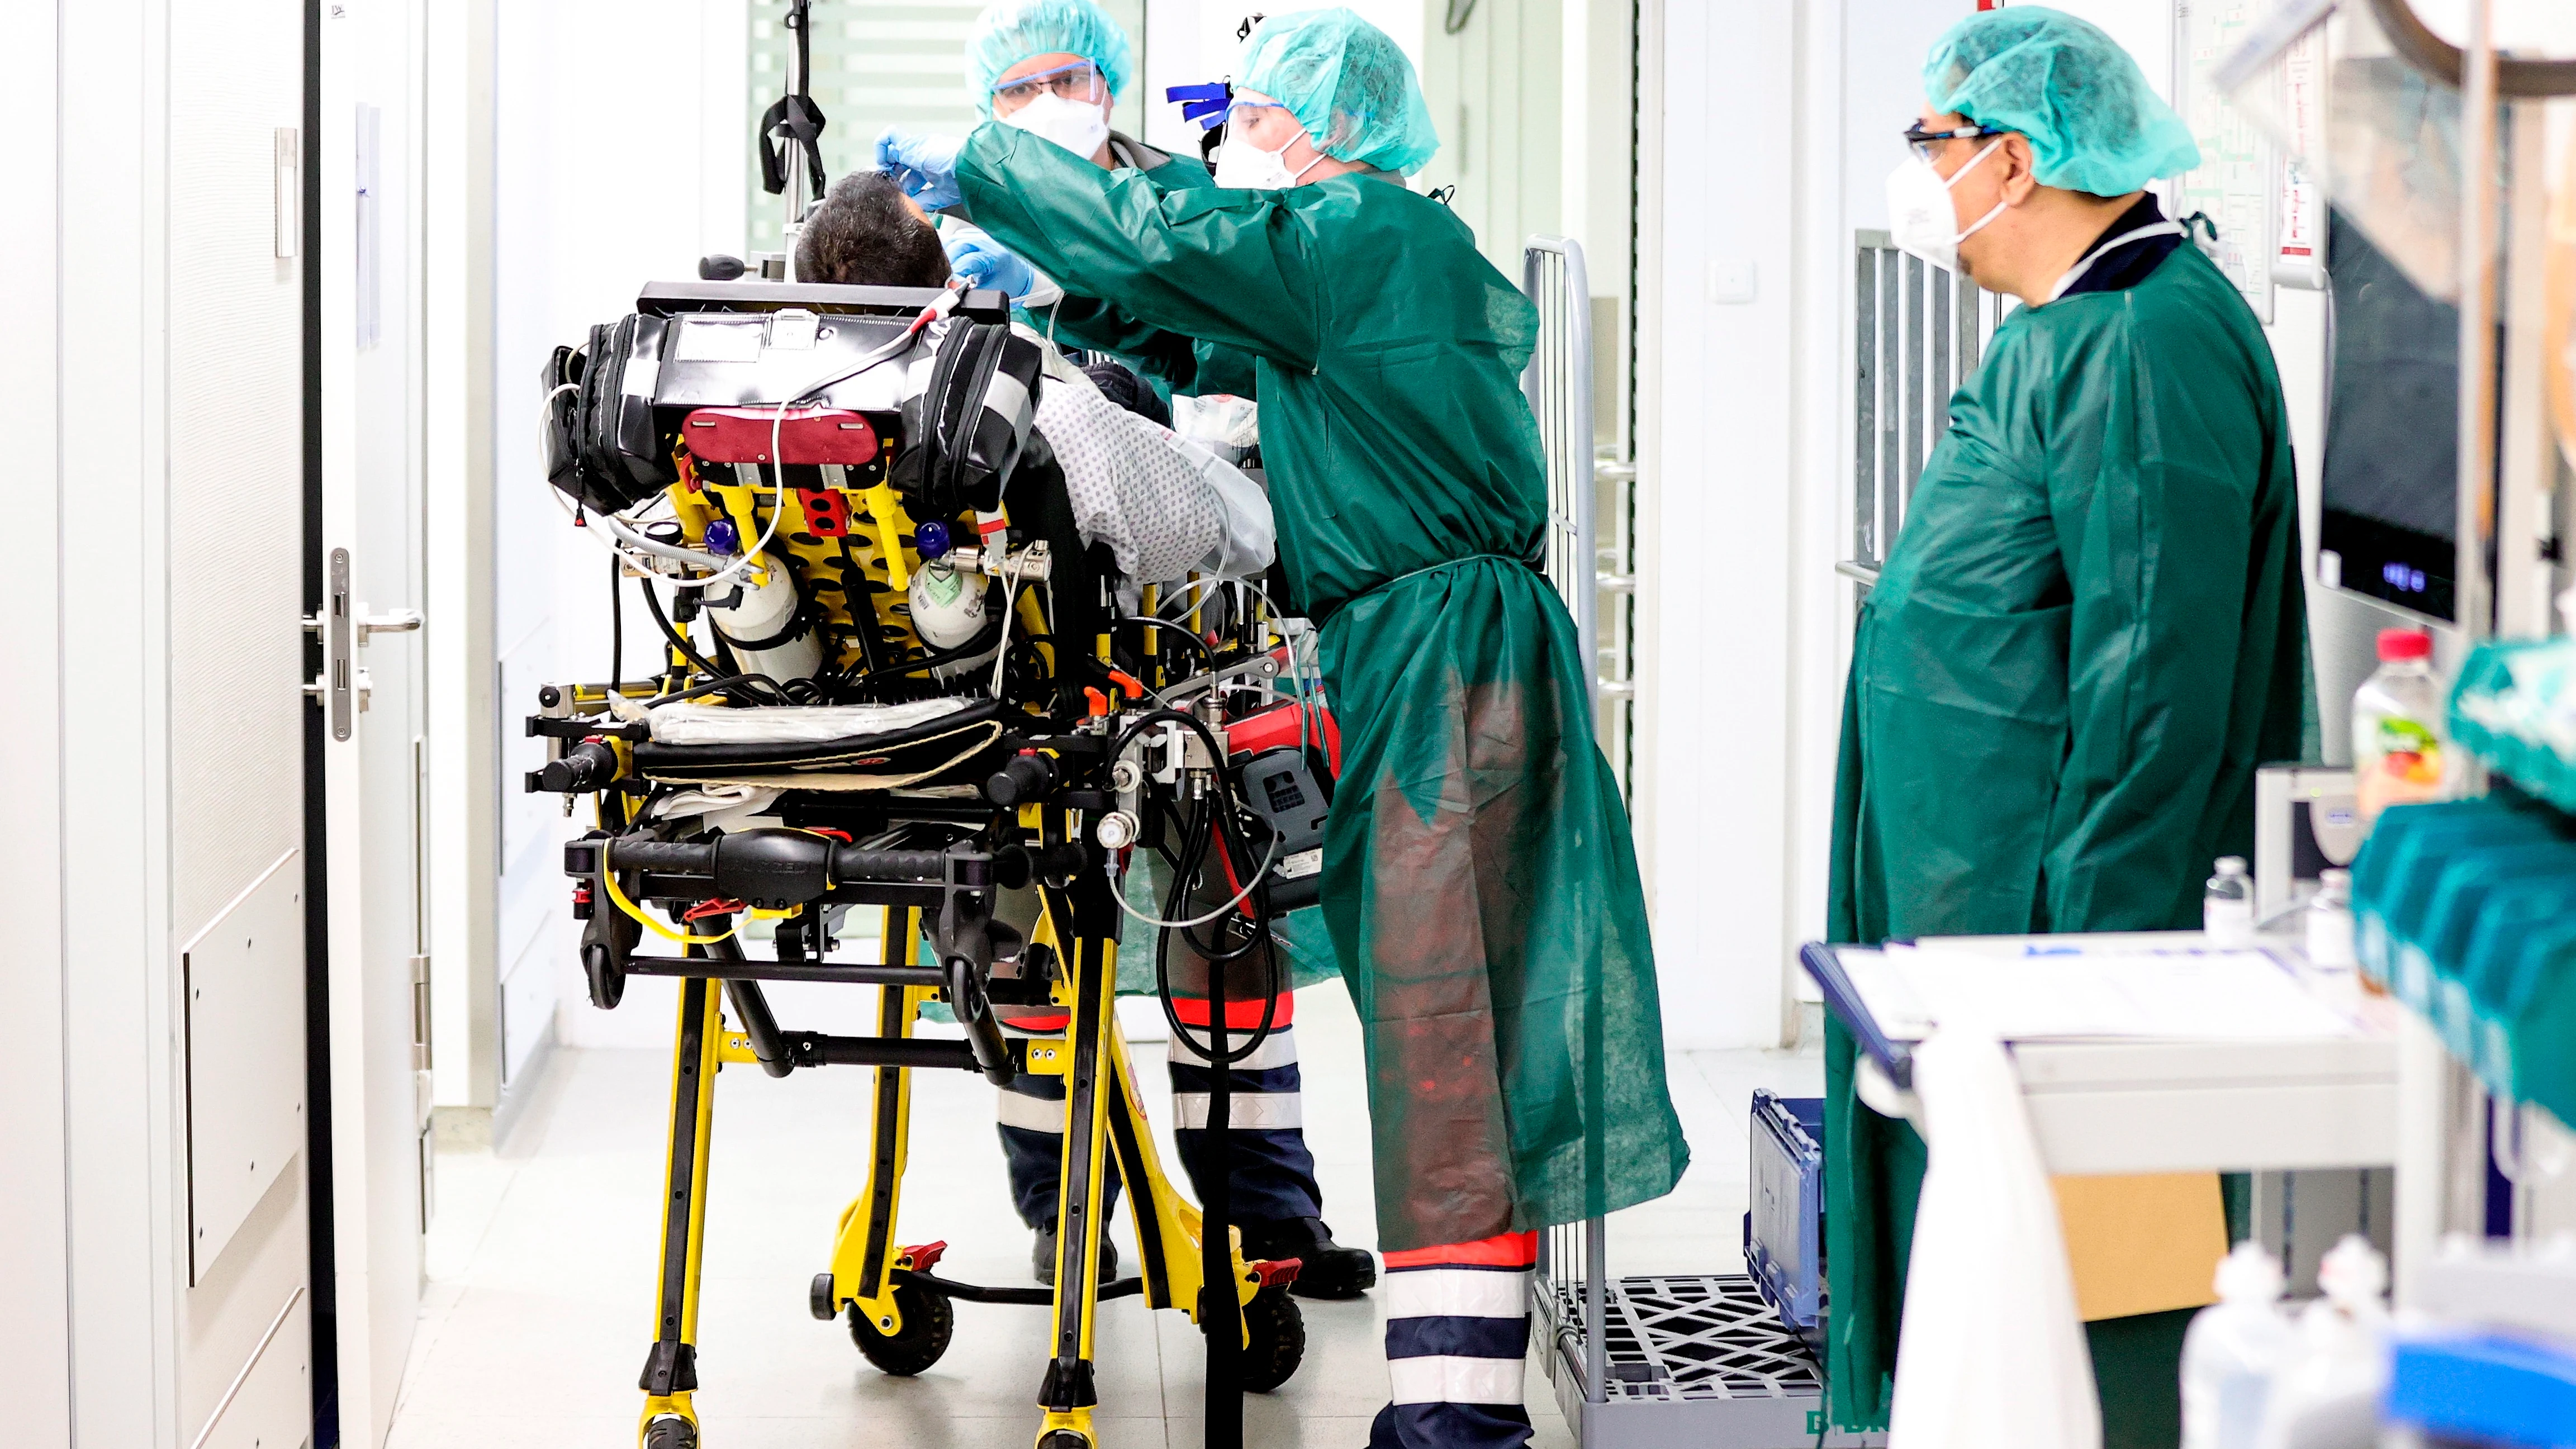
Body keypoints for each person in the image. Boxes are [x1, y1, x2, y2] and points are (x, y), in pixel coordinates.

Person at [878, 12, 1691, 1449]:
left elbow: (1168, 243)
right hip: (1417, 655)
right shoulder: (1352, 263)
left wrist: (999, 168)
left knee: (1450, 1046)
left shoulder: (1359, 236)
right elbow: (1189, 318)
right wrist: (1057, 288)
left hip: (1444, 667)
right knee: (1437, 1038)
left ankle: (1455, 1428)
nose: (1228, 144)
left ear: (1314, 132)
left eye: (1249, 117)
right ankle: (1450, 1408)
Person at [1825, 9, 2310, 1446]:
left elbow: (2154, 699)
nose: (1921, 173)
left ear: (2017, 159)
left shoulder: (2149, 346)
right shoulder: (2077, 326)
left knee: (2098, 1312)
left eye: (1936, 140)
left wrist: (2086, 975)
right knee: (1998, 1314)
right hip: (1984, 915)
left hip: (2068, 944)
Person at [793, 161, 1378, 1298]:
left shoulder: (774, 428)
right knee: (1221, 919)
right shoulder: (1040, 401)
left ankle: (1063, 1224)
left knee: (1016, 961)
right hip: (1058, 737)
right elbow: (1217, 524)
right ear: (943, 269)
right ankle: (1262, 1221)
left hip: (886, 761)